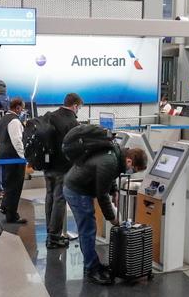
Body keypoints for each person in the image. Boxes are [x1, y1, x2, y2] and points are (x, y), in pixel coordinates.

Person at [65, 134, 148, 285]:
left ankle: (92, 263)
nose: (132, 173)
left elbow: (108, 177)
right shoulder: (110, 161)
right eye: (134, 170)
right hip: (77, 191)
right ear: (129, 161)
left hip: (79, 187)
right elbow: (101, 195)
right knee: (88, 230)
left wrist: (114, 190)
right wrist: (113, 219)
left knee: (88, 229)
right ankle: (91, 270)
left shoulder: (117, 154)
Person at [44, 93, 84, 250]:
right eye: (79, 107)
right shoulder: (72, 122)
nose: (78, 110)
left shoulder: (50, 116)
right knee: (60, 200)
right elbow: (76, 147)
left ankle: (50, 231)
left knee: (49, 197)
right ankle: (54, 237)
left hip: (47, 165)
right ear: (75, 105)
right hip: (63, 168)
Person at [0, 97, 28, 224]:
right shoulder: (14, 121)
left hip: (4, 155)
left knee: (8, 183)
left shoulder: (2, 119)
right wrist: (24, 157)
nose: (22, 111)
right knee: (15, 185)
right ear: (18, 107)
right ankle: (12, 215)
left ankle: (5, 207)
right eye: (22, 108)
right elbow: (17, 141)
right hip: (14, 157)